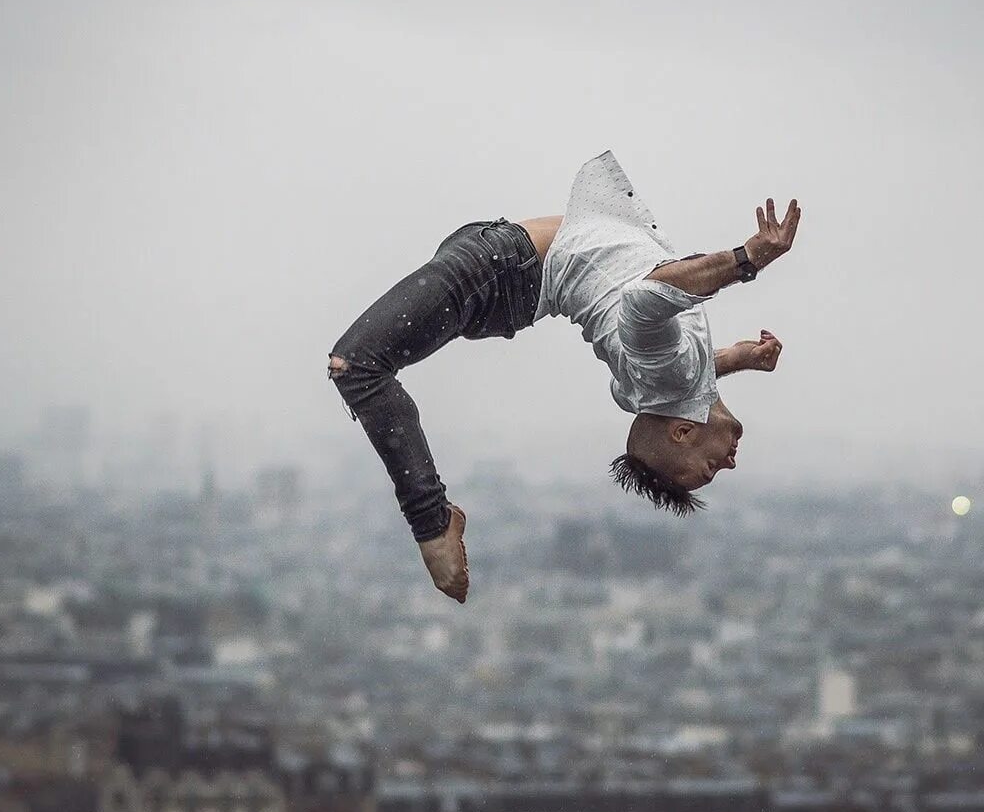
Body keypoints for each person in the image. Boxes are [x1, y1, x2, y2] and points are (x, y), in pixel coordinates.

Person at [327, 150, 802, 602]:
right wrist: (739, 357)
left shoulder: (667, 375)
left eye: (711, 468)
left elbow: (644, 303)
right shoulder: (662, 383)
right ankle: (431, 520)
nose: (730, 463)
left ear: (681, 431)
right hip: (505, 274)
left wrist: (746, 259)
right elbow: (657, 371)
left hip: (500, 269)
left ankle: (432, 525)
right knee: (363, 364)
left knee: (357, 366)